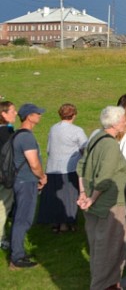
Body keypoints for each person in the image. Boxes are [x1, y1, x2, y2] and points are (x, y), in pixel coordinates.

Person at [77, 106, 126, 288]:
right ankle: (105, 285)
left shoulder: (96, 138)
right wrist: (91, 198)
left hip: (96, 205)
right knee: (111, 252)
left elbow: (81, 167)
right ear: (116, 123)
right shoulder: (110, 144)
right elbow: (105, 177)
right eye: (124, 119)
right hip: (111, 205)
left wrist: (83, 194)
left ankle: (109, 284)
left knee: (99, 249)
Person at [9, 103, 48, 269]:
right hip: (26, 181)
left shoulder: (18, 134)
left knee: (21, 217)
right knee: (23, 219)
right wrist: (42, 176)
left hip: (20, 180)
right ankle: (16, 258)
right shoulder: (27, 137)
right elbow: (33, 163)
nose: (39, 115)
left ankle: (18, 252)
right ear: (29, 116)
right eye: (37, 113)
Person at [38, 103, 88, 233]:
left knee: (55, 197)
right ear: (74, 115)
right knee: (69, 197)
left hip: (53, 167)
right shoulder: (77, 131)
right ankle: (67, 223)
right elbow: (85, 148)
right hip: (69, 168)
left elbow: (49, 148)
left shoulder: (53, 128)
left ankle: (55, 223)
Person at [0, 101, 18, 250]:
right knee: (3, 207)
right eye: (12, 111)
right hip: (3, 176)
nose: (16, 113)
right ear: (4, 114)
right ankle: (1, 238)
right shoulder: (8, 134)